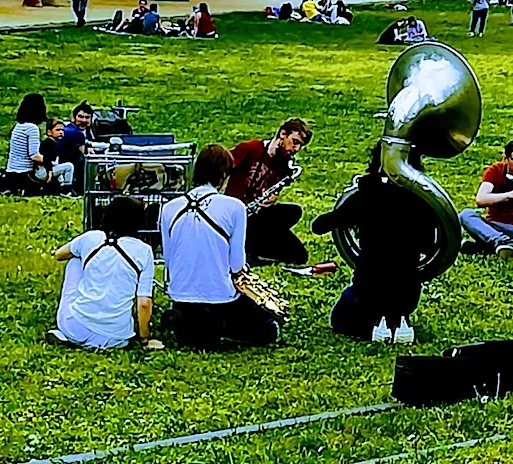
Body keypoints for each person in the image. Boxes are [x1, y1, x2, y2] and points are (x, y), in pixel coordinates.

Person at [161, 144, 278, 349]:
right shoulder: (235, 207)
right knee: (269, 328)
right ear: (224, 174)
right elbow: (236, 265)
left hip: (181, 297)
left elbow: (169, 260)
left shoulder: (169, 208)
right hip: (220, 298)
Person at [313, 141, 426, 343]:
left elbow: (319, 226)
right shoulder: (424, 199)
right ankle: (399, 320)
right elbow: (431, 243)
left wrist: (350, 201)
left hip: (369, 288)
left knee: (339, 317)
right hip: (407, 293)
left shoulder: (366, 195)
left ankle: (375, 324)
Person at [50, 196, 162, 351]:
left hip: (75, 327)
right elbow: (144, 303)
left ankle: (68, 334)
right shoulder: (144, 251)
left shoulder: (91, 237)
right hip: (116, 338)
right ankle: (92, 339)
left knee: (75, 259)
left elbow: (59, 254)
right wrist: (145, 339)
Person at [227, 119, 312, 266]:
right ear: (282, 134)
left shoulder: (284, 165)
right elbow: (221, 168)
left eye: (300, 145)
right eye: (294, 142)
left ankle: (253, 247)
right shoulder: (250, 148)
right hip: (235, 212)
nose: (296, 149)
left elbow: (273, 191)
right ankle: (248, 249)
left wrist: (273, 198)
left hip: (256, 217)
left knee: (299, 256)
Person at [2, 93, 51, 194]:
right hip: (25, 174)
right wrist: (49, 160)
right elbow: (34, 156)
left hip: (11, 173)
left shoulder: (18, 126)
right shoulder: (32, 128)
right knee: (65, 167)